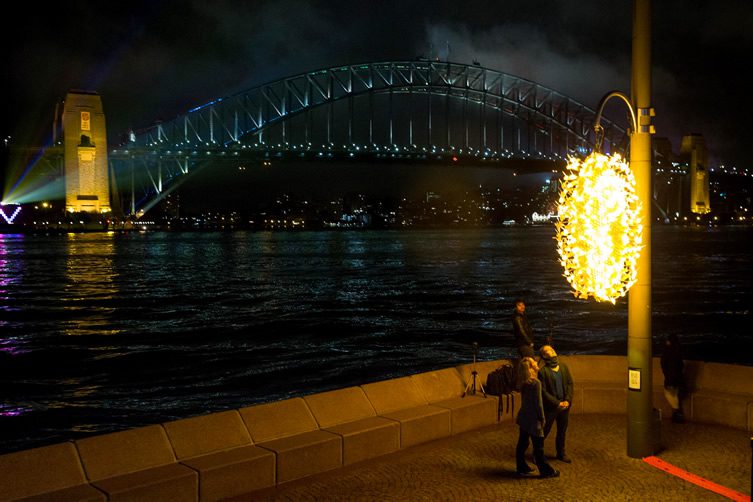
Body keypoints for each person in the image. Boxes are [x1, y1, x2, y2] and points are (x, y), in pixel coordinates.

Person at [515, 356, 559, 478]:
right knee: (538, 447)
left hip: (524, 417)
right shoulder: (536, 383)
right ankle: (547, 471)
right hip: (533, 419)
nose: (536, 361)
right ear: (530, 368)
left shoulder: (523, 382)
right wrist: (542, 418)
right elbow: (538, 404)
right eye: (533, 361)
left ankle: (521, 466)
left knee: (522, 444)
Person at [538, 345, 574, 463]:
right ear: (544, 355)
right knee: (545, 430)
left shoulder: (563, 367)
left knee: (562, 430)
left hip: (564, 406)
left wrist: (567, 400)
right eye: (549, 350)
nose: (553, 351)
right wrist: (557, 403)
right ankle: (538, 454)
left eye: (553, 349)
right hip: (551, 407)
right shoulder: (543, 372)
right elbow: (543, 391)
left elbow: (569, 384)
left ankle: (561, 453)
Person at [660, 333, 685, 423]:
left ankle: (677, 413)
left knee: (670, 395)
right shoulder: (677, 352)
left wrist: (668, 378)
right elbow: (681, 365)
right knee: (674, 395)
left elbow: (666, 365)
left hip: (671, 378)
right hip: (678, 378)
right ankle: (676, 414)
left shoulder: (668, 352)